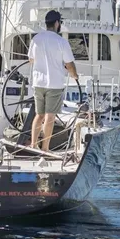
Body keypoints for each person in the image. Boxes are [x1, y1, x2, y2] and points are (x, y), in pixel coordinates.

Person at [27, 10, 79, 151]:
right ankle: (45, 148)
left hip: (38, 83)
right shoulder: (61, 41)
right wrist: (75, 75)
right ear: (57, 23)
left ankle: (33, 145)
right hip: (54, 84)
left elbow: (31, 60)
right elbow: (69, 64)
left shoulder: (36, 39)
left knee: (39, 115)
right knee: (50, 117)